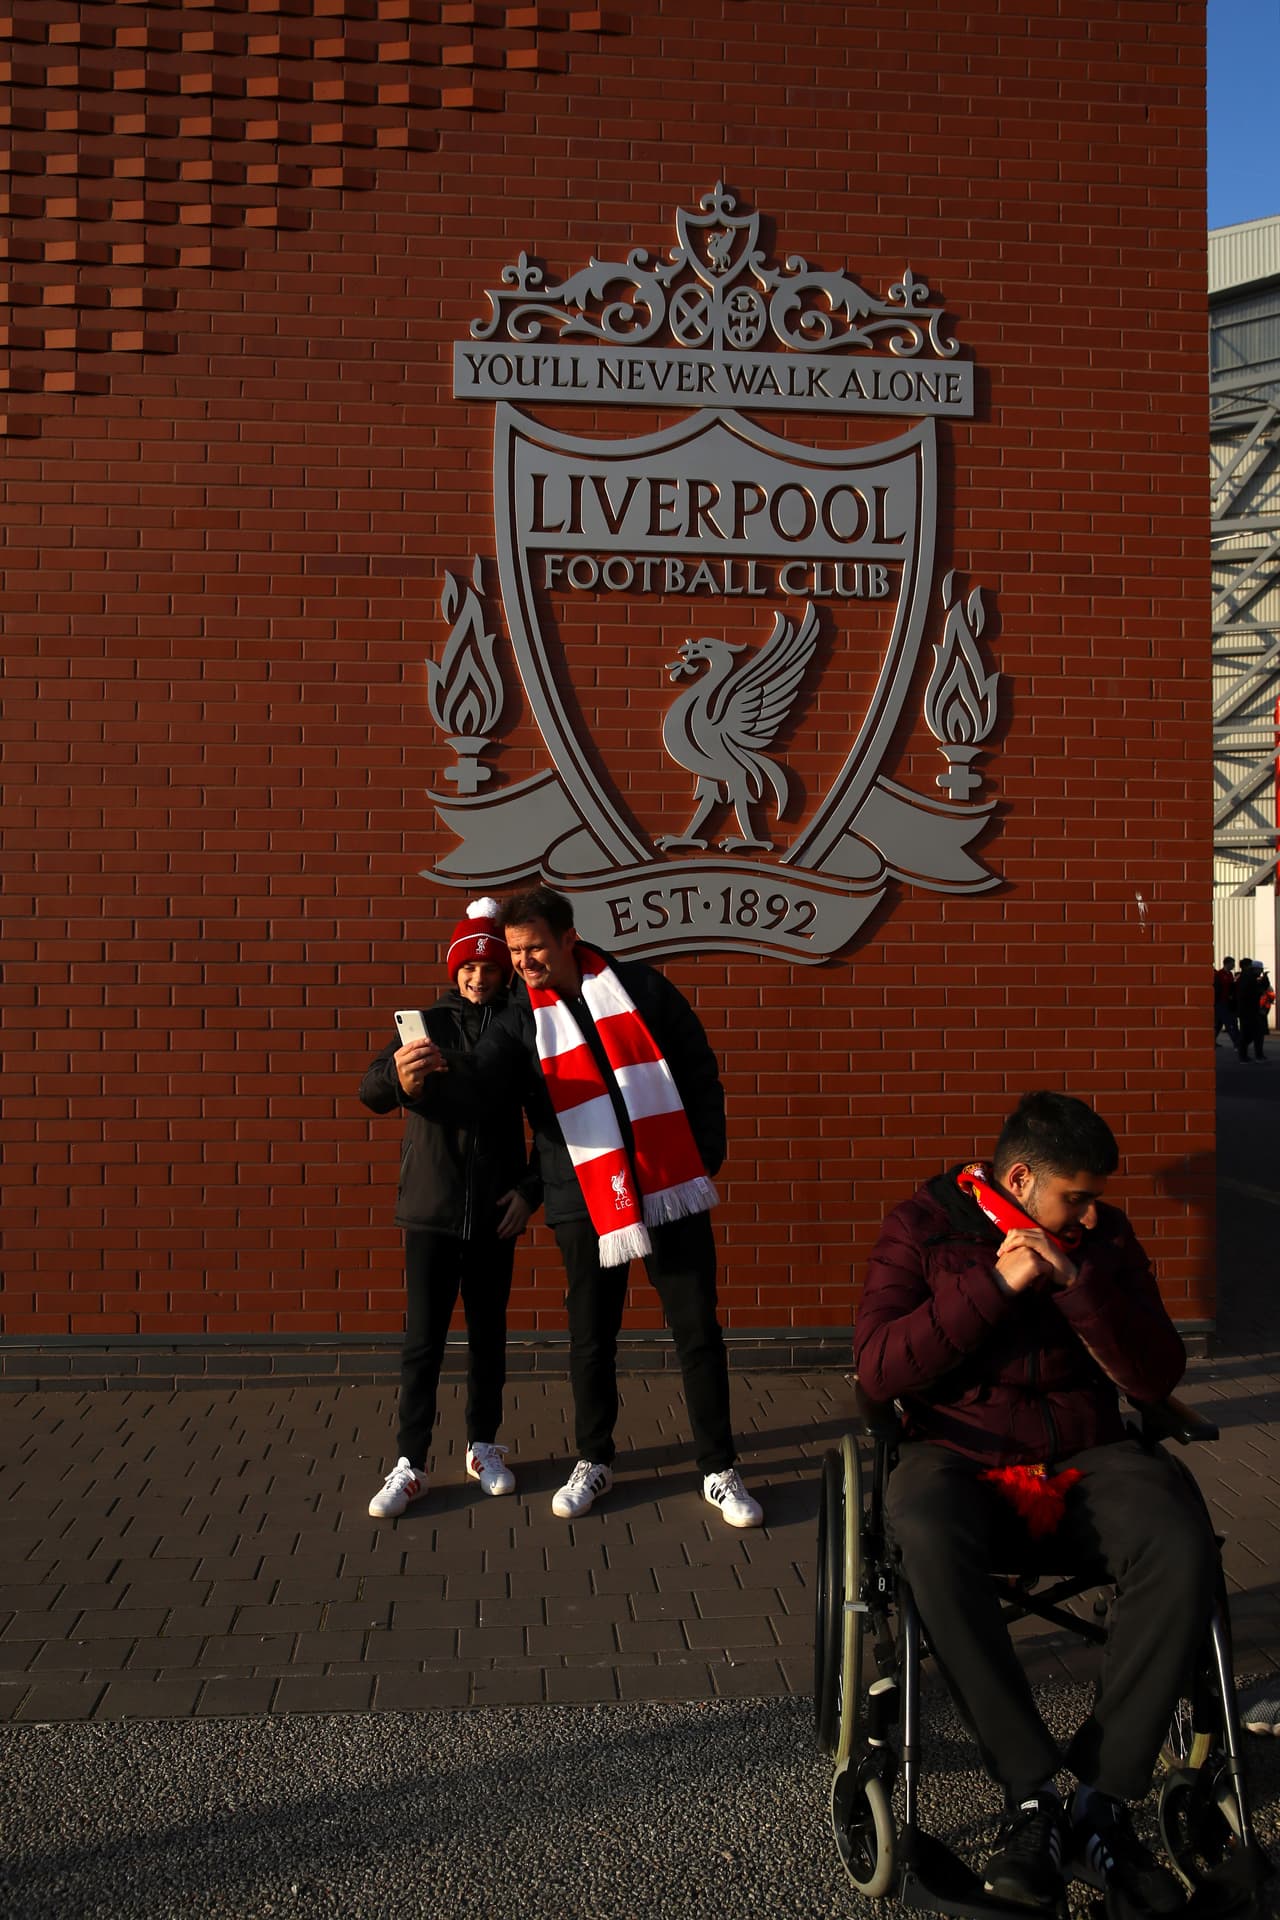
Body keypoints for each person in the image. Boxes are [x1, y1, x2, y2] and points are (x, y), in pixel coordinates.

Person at [854, 1091, 1216, 1915]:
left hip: (1084, 1452)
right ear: (1019, 1179)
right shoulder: (923, 1226)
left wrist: (1078, 1286)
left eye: (1094, 1199)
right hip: (959, 1452)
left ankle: (1100, 1801)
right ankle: (1030, 1794)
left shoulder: (1104, 1239)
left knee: (1177, 1533)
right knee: (923, 1529)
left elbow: (1157, 1373)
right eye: (1075, 1197)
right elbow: (878, 1368)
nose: (1090, 1213)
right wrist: (996, 1283)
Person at [409, 884, 763, 1529]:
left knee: (697, 1331)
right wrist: (421, 1082)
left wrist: (704, 1152)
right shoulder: (519, 1016)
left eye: (535, 948)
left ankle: (719, 1468)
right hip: (581, 1195)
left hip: (668, 1182)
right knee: (591, 1337)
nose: (523, 962)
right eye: (515, 951)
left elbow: (698, 1067)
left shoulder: (642, 989)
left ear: (569, 938)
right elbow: (482, 1082)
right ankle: (594, 1459)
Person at [359, 899, 541, 1519]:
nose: (479, 978)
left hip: (496, 1211)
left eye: (490, 968)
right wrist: (401, 1080)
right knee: (423, 1342)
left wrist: (530, 1190)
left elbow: (550, 1118)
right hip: (430, 1209)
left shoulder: (522, 1026)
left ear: (505, 972)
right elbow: (370, 1089)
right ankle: (410, 1462)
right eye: (469, 967)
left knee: (489, 1336)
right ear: (454, 969)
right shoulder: (428, 1022)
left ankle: (483, 1446)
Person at [1236, 958, 1268, 1062]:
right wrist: (1263, 984)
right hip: (1248, 1011)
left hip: (1248, 1010)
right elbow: (1252, 993)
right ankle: (1251, 1055)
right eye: (1260, 970)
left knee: (1252, 1033)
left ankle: (1247, 1055)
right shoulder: (1248, 978)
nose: (1261, 972)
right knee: (1254, 1033)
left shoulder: (1247, 977)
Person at [1213, 957, 1238, 1048]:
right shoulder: (1219, 974)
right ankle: (1237, 1043)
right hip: (1220, 1002)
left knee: (1218, 1024)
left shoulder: (1230, 974)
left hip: (1227, 1002)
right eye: (1232, 964)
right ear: (1227, 964)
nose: (1234, 966)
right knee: (1229, 1022)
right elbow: (1216, 988)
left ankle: (1212, 1041)